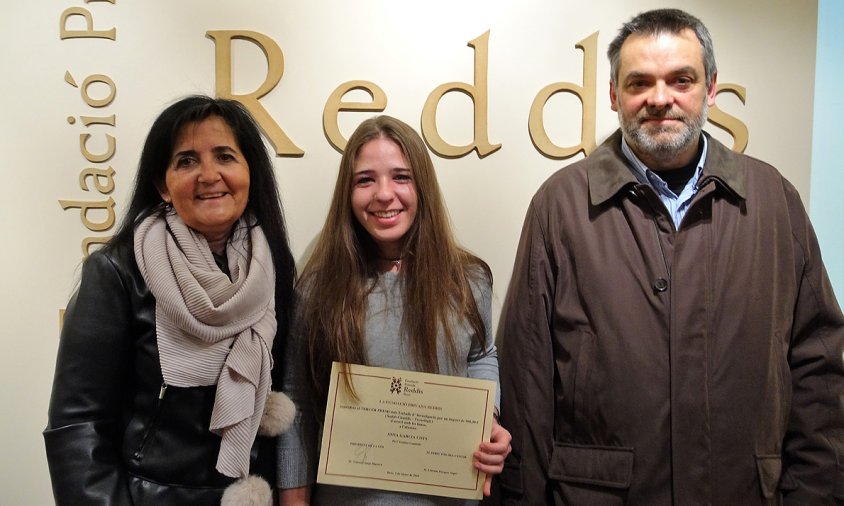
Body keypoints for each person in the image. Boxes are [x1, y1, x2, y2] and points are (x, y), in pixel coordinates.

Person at [498, 8, 844, 505]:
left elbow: (819, 368)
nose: (660, 99)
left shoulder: (773, 201)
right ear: (614, 94)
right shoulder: (560, 206)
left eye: (681, 79)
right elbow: (527, 379)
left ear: (710, 88)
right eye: (640, 83)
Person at [44, 95, 298, 506]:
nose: (209, 174)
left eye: (225, 157)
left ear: (250, 172)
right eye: (186, 161)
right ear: (163, 185)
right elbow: (78, 425)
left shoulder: (274, 269)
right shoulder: (117, 272)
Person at [277, 115, 512, 505]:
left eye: (401, 177)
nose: (384, 194)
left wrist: (490, 417)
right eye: (365, 180)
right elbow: (296, 401)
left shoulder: (469, 279)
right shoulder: (318, 289)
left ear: (422, 187)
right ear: (347, 193)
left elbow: (481, 354)